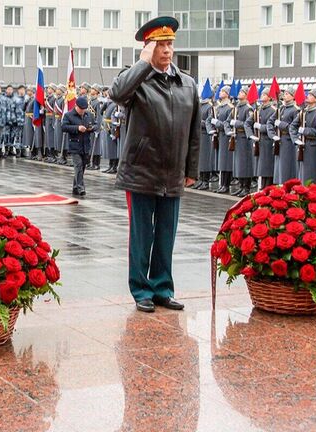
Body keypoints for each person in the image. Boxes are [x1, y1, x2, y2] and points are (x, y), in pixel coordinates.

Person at [109, 16, 200, 313]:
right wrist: (143, 64)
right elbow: (117, 93)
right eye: (160, 44)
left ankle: (162, 287)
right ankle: (140, 290)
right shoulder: (136, 80)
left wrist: (191, 170)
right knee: (142, 235)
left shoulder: (187, 84)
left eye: (170, 44)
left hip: (172, 172)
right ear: (148, 48)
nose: (167, 50)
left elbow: (194, 132)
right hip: (141, 170)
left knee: (165, 235)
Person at [61, 96, 97, 196]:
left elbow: (96, 125)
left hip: (85, 144)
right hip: (75, 145)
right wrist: (77, 128)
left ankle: (75, 188)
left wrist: (92, 128)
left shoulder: (89, 114)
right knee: (78, 166)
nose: (82, 111)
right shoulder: (69, 115)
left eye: (84, 109)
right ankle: (81, 188)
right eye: (81, 109)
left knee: (83, 167)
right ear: (76, 106)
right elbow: (64, 127)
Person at [292, 87, 316, 186]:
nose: (308, 96)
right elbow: (293, 126)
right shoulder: (304, 112)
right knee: (304, 173)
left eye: (311, 95)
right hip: (304, 145)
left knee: (314, 173)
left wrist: (305, 131)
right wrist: (296, 139)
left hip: (315, 145)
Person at [269, 86, 298, 184]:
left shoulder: (295, 110)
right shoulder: (281, 108)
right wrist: (272, 135)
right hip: (279, 139)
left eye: (287, 94)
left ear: (293, 96)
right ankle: (280, 185)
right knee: (279, 167)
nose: (284, 96)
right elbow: (270, 122)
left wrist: (280, 124)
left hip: (288, 141)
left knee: (287, 166)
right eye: (284, 94)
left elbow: (294, 127)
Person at [228, 87, 253, 196]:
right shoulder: (236, 108)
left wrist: (236, 123)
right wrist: (228, 130)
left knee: (245, 163)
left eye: (242, 92)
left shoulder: (248, 108)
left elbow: (248, 123)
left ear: (247, 95)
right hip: (236, 136)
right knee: (238, 164)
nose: (240, 93)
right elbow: (228, 121)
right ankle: (241, 186)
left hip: (244, 137)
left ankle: (246, 187)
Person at [253, 88, 276, 189]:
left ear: (269, 97)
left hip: (268, 140)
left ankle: (267, 186)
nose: (262, 96)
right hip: (260, 140)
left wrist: (261, 127)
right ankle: (263, 185)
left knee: (268, 165)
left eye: (264, 94)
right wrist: (251, 134)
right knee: (262, 166)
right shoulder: (259, 109)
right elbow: (248, 123)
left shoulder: (273, 110)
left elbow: (272, 126)